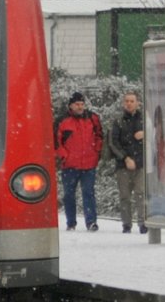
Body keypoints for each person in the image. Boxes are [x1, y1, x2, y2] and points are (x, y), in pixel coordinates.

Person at [54, 91, 104, 231]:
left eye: (82, 104)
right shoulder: (62, 121)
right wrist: (64, 156)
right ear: (71, 105)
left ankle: (91, 221)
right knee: (69, 194)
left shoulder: (93, 118)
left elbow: (100, 135)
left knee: (88, 192)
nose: (80, 107)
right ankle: (71, 222)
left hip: (89, 163)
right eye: (77, 104)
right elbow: (56, 142)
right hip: (70, 165)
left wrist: (96, 152)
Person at [108, 91, 146, 234]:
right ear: (124, 103)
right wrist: (125, 158)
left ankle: (143, 223)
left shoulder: (143, 119)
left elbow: (156, 134)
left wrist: (145, 134)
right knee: (125, 196)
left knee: (141, 194)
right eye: (127, 101)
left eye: (132, 101)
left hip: (141, 163)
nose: (129, 103)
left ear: (137, 103)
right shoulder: (118, 121)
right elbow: (113, 142)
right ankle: (126, 224)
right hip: (122, 164)